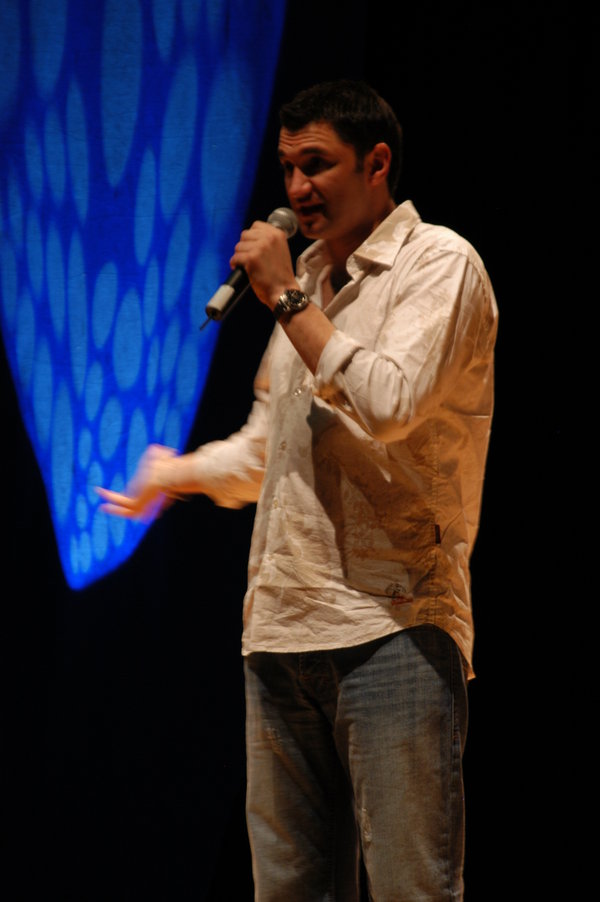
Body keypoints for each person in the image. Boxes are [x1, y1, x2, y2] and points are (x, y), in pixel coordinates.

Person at [98, 80, 498, 901]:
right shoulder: (308, 282)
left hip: (393, 626)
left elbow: (389, 404)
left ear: (376, 163)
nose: (296, 188)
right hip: (281, 629)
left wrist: (286, 300)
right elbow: (268, 448)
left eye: (316, 165)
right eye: (287, 169)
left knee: (411, 887)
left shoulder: (438, 264)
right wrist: (171, 475)